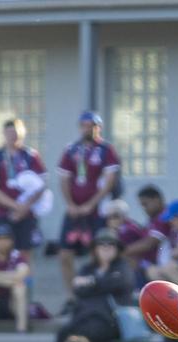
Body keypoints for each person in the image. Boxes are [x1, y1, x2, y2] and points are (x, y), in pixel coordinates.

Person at [57, 111, 121, 303]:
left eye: (91, 125)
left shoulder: (106, 150)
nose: (87, 129)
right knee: (65, 254)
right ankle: (72, 295)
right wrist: (70, 204)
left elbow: (109, 181)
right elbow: (64, 178)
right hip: (75, 211)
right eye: (84, 125)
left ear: (98, 127)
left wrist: (90, 204)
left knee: (100, 252)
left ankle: (97, 292)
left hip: (97, 211)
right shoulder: (71, 149)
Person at [53, 230, 133, 342]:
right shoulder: (88, 268)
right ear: (95, 249)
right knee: (63, 333)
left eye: (111, 245)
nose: (106, 248)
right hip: (84, 318)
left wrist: (92, 282)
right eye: (101, 245)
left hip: (110, 322)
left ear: (117, 248)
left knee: (82, 338)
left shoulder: (123, 266)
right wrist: (101, 283)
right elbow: (78, 289)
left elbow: (120, 283)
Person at [0, 117, 47, 262]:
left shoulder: (31, 155)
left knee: (25, 254)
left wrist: (25, 207)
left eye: (16, 132)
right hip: (2, 213)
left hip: (26, 214)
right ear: (4, 134)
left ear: (22, 133)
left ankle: (26, 284)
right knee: (2, 252)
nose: (13, 136)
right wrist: (15, 206)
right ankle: (3, 284)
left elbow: (41, 185)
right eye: (9, 132)